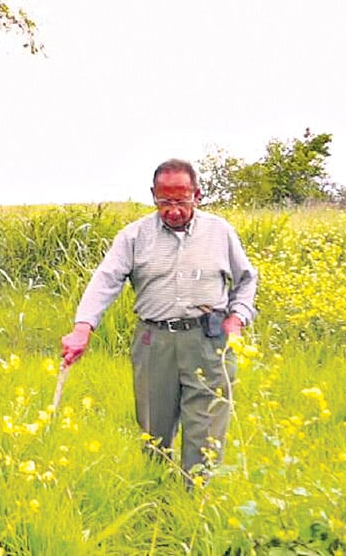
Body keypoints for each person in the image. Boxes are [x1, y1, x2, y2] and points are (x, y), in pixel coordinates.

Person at [60, 158, 258, 480]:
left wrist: (237, 317)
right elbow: (106, 279)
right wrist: (82, 328)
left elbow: (247, 279)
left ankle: (195, 504)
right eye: (164, 201)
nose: (173, 210)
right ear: (153, 195)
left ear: (198, 194)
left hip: (208, 343)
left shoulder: (219, 232)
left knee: (205, 431)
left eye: (181, 200)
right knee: (154, 430)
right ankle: (155, 495)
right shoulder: (134, 235)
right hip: (154, 343)